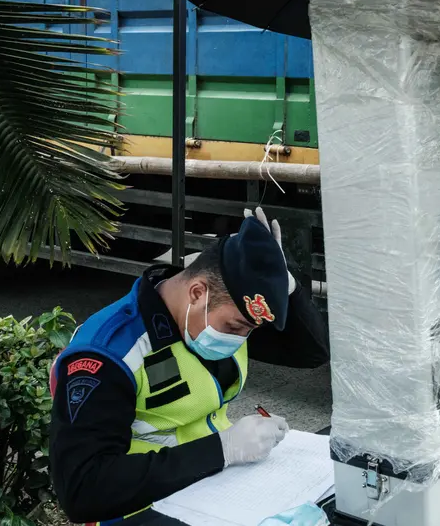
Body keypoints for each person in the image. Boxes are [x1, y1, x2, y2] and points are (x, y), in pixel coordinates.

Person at [49, 208, 330, 524]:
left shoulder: (218, 314)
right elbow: (83, 491)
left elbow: (312, 353)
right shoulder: (109, 353)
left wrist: (283, 283)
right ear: (197, 292)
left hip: (216, 486)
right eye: (237, 326)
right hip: (144, 508)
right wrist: (223, 448)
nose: (241, 338)